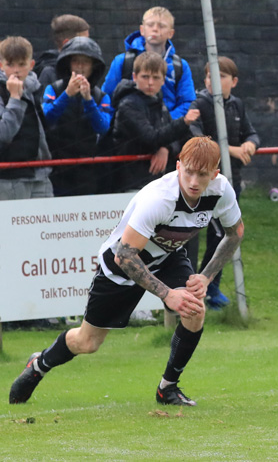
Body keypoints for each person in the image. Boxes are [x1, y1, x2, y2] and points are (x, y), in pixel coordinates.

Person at [9, 136, 245, 407]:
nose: (193, 181)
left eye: (202, 175)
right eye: (188, 171)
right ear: (178, 165)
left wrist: (206, 276)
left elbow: (235, 232)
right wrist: (167, 294)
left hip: (167, 257)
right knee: (88, 343)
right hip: (120, 268)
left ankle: (167, 388)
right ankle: (39, 364)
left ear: (214, 174)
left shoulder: (221, 190)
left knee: (194, 310)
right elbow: (124, 256)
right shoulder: (160, 199)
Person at [189, 56, 259, 308]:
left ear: (234, 81)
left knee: (225, 236)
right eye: (209, 76)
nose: (212, 81)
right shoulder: (199, 103)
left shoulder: (237, 105)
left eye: (220, 77)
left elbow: (250, 132)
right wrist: (230, 149)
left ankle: (211, 288)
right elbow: (197, 138)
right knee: (214, 235)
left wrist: (251, 143)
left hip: (232, 182)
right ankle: (201, 287)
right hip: (206, 184)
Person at [109, 52, 199, 192]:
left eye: (156, 77)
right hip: (131, 182)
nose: (150, 82)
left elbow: (177, 138)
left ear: (163, 80)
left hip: (157, 181)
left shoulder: (158, 102)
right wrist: (184, 122)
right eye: (145, 77)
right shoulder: (128, 105)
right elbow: (150, 138)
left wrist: (166, 148)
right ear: (134, 77)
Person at [41, 36, 113, 196]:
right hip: (57, 168)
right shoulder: (54, 89)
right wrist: (66, 95)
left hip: (88, 170)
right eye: (75, 61)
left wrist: (88, 100)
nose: (80, 67)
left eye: (85, 62)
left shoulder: (101, 96)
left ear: (93, 66)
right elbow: (45, 119)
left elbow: (103, 127)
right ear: (68, 64)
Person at [102, 6, 196, 120]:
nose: (155, 29)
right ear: (142, 30)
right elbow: (107, 98)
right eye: (150, 25)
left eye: (161, 26)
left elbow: (187, 103)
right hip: (128, 131)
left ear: (171, 33)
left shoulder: (180, 66)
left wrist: (165, 122)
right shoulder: (123, 62)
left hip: (169, 131)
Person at [0, 36, 53, 201]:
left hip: (40, 172)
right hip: (9, 175)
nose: (16, 70)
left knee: (47, 225)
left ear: (31, 65)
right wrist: (15, 99)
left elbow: (41, 130)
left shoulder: (33, 88)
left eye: (22, 64)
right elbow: (4, 133)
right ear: (1, 65)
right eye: (10, 64)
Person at [36, 14, 91, 92]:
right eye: (83, 41)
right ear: (67, 43)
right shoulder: (49, 73)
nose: (89, 46)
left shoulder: (86, 69)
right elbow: (45, 103)